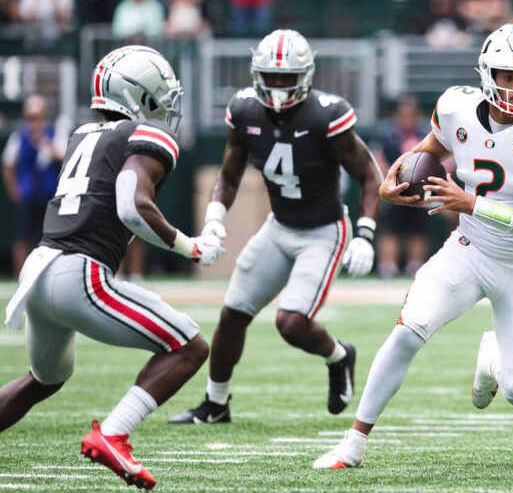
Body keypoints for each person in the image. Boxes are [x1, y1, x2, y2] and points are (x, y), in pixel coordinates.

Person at [312, 22, 513, 470]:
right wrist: (390, 183)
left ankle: (491, 357)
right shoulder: (456, 107)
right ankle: (352, 443)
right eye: (508, 76)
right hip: (470, 249)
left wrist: (469, 202)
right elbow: (423, 155)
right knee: (408, 330)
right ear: (487, 73)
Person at [0, 46, 222, 489]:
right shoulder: (145, 135)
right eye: (160, 95)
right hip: (79, 274)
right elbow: (131, 206)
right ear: (138, 94)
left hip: (38, 271)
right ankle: (114, 434)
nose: (166, 106)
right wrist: (190, 246)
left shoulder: (81, 134)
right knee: (190, 346)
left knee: (44, 379)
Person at [169, 29, 381, 425]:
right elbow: (228, 174)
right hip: (279, 227)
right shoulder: (244, 110)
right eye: (271, 77)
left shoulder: (327, 114)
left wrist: (366, 233)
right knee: (233, 313)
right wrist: (214, 219)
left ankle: (339, 355)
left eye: (287, 77)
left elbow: (370, 175)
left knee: (291, 323)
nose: (279, 86)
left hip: (323, 231)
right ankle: (216, 404)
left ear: (306, 76)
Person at [2, 95, 65, 275]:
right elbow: (7, 165)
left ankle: (53, 274)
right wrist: (15, 191)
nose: (33, 121)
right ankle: (21, 276)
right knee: (23, 237)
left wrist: (46, 145)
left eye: (37, 117)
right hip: (29, 195)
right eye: (30, 117)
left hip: (50, 196)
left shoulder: (53, 134)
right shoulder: (18, 137)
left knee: (54, 237)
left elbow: (63, 156)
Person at [376, 94, 432, 279]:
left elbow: (441, 161)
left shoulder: (426, 134)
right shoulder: (387, 134)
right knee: (390, 228)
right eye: (404, 114)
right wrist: (390, 180)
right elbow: (379, 160)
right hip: (395, 188)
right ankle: (387, 266)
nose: (407, 118)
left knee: (419, 229)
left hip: (420, 189)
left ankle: (415, 265)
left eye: (411, 114)